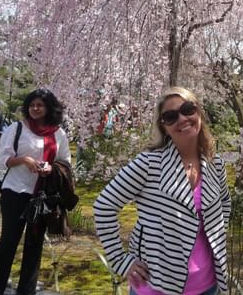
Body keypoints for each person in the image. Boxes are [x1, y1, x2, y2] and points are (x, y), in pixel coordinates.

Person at [93, 86, 231, 295]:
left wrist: (216, 239)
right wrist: (122, 261)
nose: (182, 119)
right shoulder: (149, 164)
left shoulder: (215, 164)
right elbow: (104, 207)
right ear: (164, 126)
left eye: (188, 109)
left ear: (198, 113)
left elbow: (225, 205)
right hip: (157, 285)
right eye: (171, 116)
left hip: (208, 284)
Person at [0, 88, 71, 295]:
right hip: (16, 191)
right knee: (8, 243)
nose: (35, 108)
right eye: (32, 105)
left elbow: (65, 162)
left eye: (40, 105)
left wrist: (51, 168)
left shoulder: (58, 133)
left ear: (49, 108)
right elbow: (2, 160)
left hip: (41, 196)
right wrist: (24, 159)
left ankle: (26, 291)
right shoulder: (17, 128)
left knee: (34, 245)